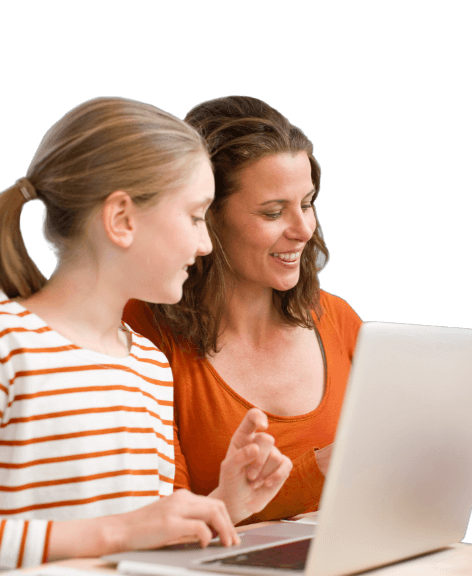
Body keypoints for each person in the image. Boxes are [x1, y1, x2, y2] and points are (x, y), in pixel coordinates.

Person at [0, 97, 292, 569]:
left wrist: (225, 504)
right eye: (196, 217)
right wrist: (116, 533)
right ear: (122, 219)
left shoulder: (150, 367)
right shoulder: (10, 346)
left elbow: (142, 544)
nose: (204, 245)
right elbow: (121, 533)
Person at [123, 96, 362, 524]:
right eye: (273, 212)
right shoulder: (140, 330)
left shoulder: (338, 319)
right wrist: (322, 468)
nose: (304, 230)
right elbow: (159, 523)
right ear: (206, 216)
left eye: (307, 203)